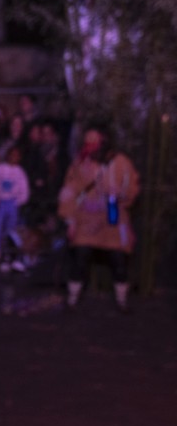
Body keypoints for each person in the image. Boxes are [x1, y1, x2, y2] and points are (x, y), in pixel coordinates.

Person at [57, 123, 140, 312]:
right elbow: (69, 191)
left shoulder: (121, 162)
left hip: (113, 217)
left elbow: (132, 189)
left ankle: (122, 300)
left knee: (119, 258)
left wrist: (120, 192)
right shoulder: (79, 163)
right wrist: (70, 220)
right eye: (87, 140)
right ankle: (72, 298)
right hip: (86, 218)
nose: (90, 144)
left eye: (94, 140)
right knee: (80, 255)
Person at [0, 144, 30, 272]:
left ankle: (8, 255)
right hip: (0, 202)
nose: (14, 157)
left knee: (10, 230)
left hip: (12, 203)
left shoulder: (20, 171)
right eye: (12, 154)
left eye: (17, 155)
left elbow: (24, 190)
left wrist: (18, 202)